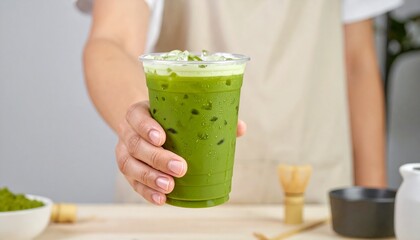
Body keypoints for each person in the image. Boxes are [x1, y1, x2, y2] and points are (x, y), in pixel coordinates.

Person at [80, 0, 403, 205]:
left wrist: (373, 207)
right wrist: (139, 129)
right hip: (172, 192)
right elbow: (112, 40)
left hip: (312, 195)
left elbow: (358, 62)